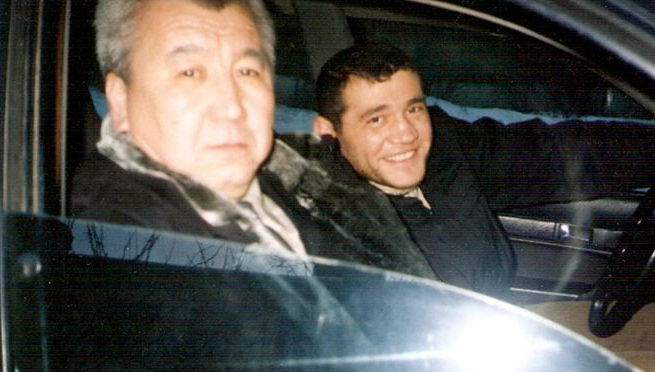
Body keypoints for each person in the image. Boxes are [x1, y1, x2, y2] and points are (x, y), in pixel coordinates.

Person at [301, 43, 655, 372]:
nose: (406, 134)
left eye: (413, 109)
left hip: (495, 339)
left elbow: (554, 154)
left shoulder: (444, 155)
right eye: (377, 119)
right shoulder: (333, 225)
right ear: (329, 132)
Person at [72, 0, 436, 281]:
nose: (232, 107)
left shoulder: (299, 173)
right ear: (121, 100)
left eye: (247, 71)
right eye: (190, 73)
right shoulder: (121, 248)